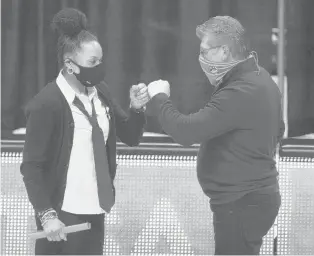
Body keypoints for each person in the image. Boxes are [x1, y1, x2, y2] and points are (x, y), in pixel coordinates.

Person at [145, 16, 285, 255]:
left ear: (224, 51)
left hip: (242, 201)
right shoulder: (259, 78)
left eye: (205, 52)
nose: (201, 59)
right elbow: (278, 129)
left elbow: (186, 131)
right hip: (252, 198)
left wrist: (159, 98)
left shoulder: (241, 91)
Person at [20, 8, 149, 255]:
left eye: (101, 60)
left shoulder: (101, 93)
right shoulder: (46, 104)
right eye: (92, 62)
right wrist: (47, 215)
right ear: (70, 65)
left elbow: (131, 137)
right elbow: (31, 167)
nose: (100, 67)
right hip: (61, 214)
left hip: (96, 208)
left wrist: (136, 108)